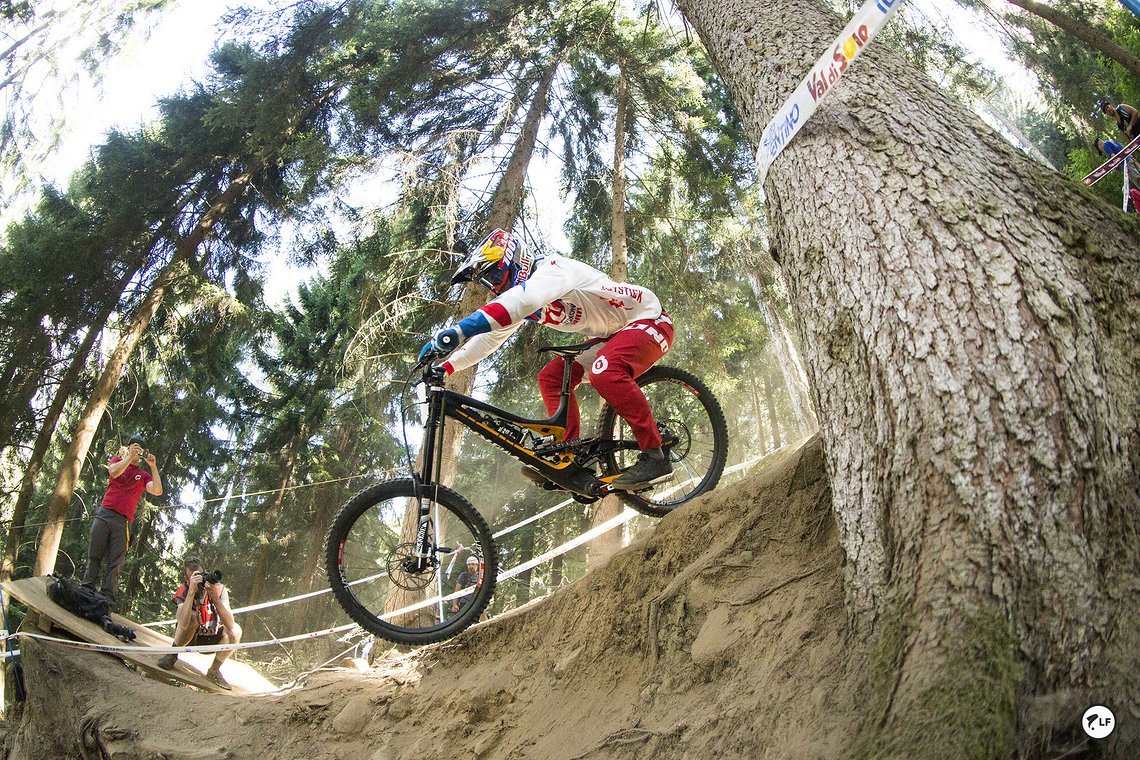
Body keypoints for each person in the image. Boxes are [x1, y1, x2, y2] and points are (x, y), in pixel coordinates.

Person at [419, 227, 675, 489]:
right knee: (552, 377)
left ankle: (656, 456)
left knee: (604, 370)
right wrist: (447, 366)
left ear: (515, 259)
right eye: (488, 283)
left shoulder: (552, 269)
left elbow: (521, 301)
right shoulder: (525, 298)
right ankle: (568, 457)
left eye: (495, 275)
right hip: (615, 336)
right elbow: (489, 338)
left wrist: (458, 330)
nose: (495, 286)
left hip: (650, 320)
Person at [81, 433, 162, 600]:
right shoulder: (117, 460)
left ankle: (107, 596)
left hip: (124, 521)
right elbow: (114, 473)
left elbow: (157, 490)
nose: (137, 450)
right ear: (129, 447)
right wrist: (129, 457)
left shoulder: (143, 474)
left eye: (139, 448)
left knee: (116, 561)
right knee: (95, 553)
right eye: (134, 446)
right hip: (105, 513)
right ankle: (87, 587)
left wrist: (153, 466)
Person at [156, 556, 242, 690]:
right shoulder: (183, 590)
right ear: (187, 578)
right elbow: (183, 624)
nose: (199, 580)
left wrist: (215, 598)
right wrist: (191, 592)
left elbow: (230, 625)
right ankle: (172, 655)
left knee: (236, 630)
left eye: (200, 575)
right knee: (191, 616)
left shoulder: (218, 590)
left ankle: (214, 670)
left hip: (211, 638)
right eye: (193, 577)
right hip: (189, 638)